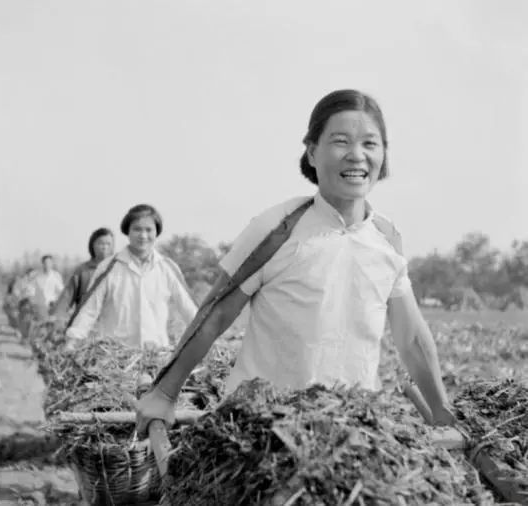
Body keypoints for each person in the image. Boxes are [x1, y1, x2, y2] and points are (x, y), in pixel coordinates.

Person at [136, 89, 456, 434]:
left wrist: (441, 411)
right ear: (313, 152)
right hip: (262, 426)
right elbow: (215, 314)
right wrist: (165, 393)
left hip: (353, 430)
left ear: (384, 155)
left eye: (370, 144)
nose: (356, 155)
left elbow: (410, 340)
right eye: (341, 141)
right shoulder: (277, 228)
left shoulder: (387, 238)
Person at [65, 204, 198, 349]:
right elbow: (89, 309)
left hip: (157, 356)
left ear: (156, 232)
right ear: (127, 231)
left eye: (149, 230)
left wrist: (207, 338)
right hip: (114, 358)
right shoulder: (109, 267)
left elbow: (189, 308)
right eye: (137, 229)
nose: (143, 236)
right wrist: (72, 341)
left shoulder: (167, 267)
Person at [50, 228, 115, 318]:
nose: (105, 247)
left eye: (108, 244)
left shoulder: (118, 269)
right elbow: (66, 297)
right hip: (85, 325)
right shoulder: (82, 270)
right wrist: (57, 317)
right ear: (92, 245)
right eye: (101, 243)